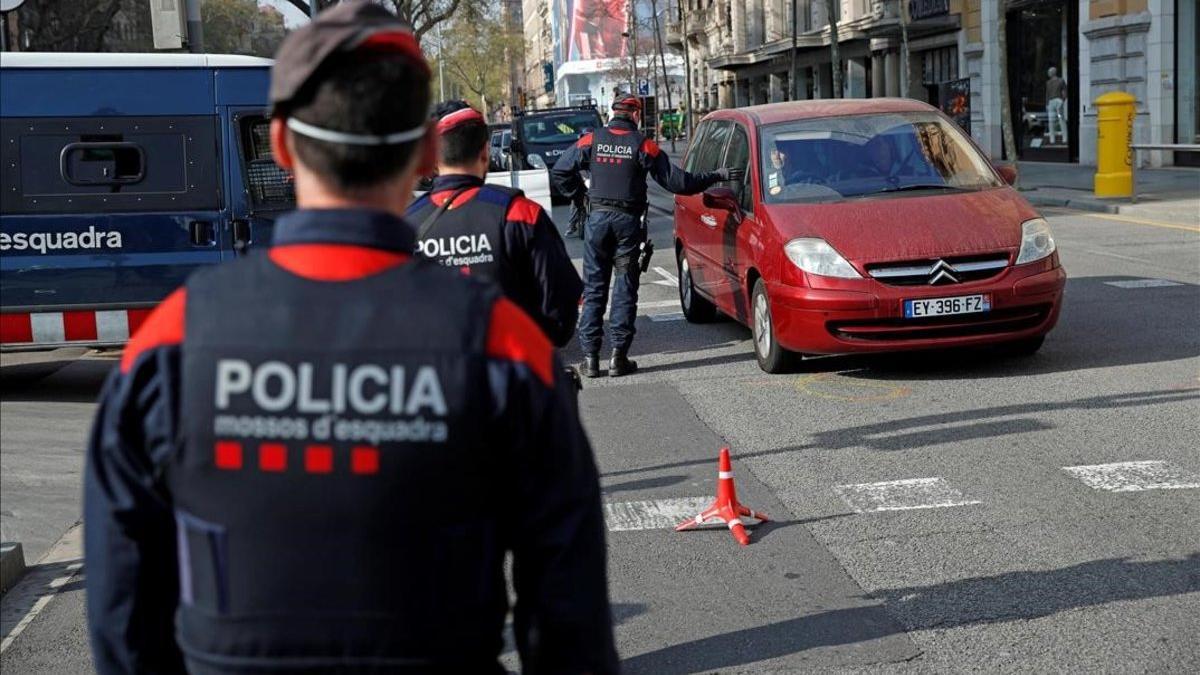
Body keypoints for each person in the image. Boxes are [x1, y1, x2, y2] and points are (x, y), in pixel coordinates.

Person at [83, 4, 618, 674]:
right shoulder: (508, 350)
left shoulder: (165, 345)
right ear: (425, 153)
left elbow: (121, 618)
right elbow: (569, 628)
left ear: (280, 146)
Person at [551, 94, 740, 377]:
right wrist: (717, 175)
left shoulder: (591, 140)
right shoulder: (643, 144)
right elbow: (679, 182)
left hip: (597, 223)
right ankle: (618, 357)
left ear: (612, 113)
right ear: (636, 115)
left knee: (594, 291)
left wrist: (581, 197)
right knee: (625, 288)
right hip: (628, 225)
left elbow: (561, 170)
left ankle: (590, 359)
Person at [407, 101, 582, 347]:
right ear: (485, 152)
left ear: (433, 160)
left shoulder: (405, 224)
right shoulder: (521, 215)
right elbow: (561, 308)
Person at [1045, 67, 1068, 145]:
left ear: (1053, 72)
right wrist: (1047, 103)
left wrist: (1062, 100)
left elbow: (1065, 91)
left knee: (1060, 118)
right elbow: (1047, 94)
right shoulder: (1048, 83)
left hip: (1058, 101)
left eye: (1049, 72)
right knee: (1051, 121)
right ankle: (1052, 140)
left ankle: (1065, 139)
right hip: (1051, 102)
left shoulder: (1061, 81)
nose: (1048, 73)